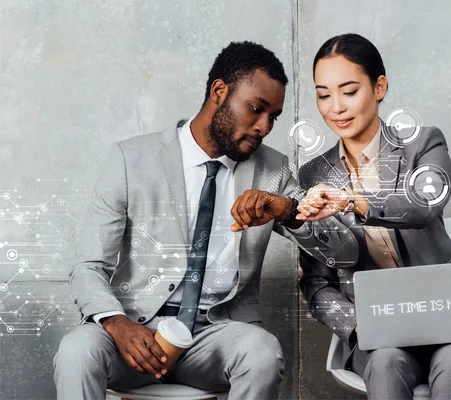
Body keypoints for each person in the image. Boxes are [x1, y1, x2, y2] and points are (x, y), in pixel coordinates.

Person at [53, 41, 355, 400]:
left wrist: (288, 210)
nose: (263, 127)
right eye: (256, 109)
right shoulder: (130, 159)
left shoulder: (273, 170)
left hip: (215, 335)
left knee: (261, 353)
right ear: (219, 91)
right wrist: (117, 324)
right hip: (135, 330)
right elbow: (88, 265)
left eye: (272, 117)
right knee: (77, 351)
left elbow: (343, 248)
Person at [296, 33, 451, 400]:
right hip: (379, 331)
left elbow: (424, 205)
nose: (336, 107)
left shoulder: (423, 144)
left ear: (379, 87)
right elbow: (317, 282)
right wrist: (356, 324)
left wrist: (352, 200)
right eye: (323, 94)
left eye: (349, 91)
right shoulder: (314, 176)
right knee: (384, 364)